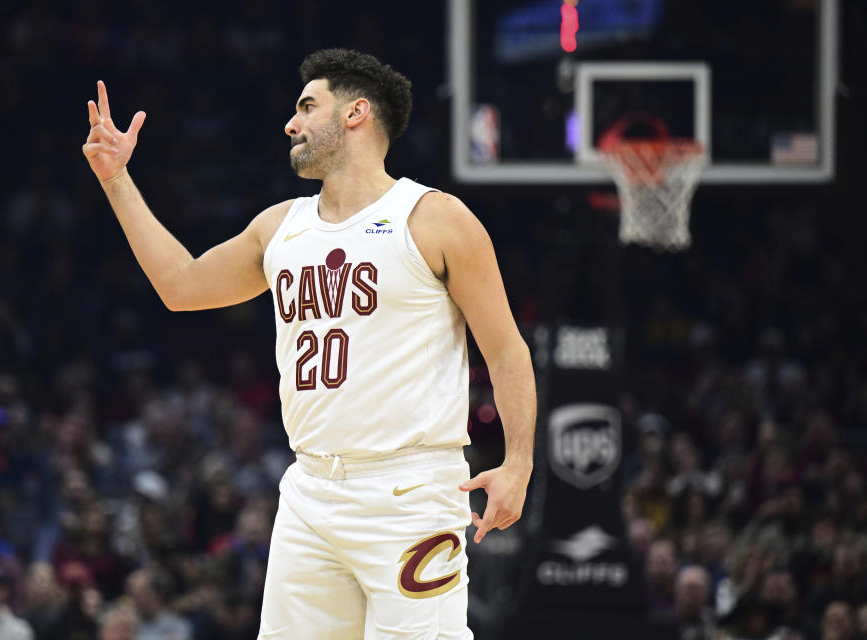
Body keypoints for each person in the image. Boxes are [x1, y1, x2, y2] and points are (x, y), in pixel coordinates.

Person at [81, 47, 535, 639]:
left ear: (356, 113)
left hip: (409, 492)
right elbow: (181, 287)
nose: (290, 123)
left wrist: (519, 463)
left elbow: (505, 350)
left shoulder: (433, 218)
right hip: (310, 491)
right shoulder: (280, 226)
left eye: (306, 106)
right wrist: (116, 180)